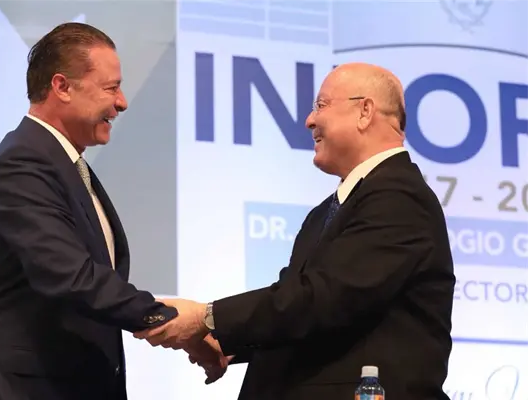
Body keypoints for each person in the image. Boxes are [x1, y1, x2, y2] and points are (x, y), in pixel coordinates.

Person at [135, 63, 456, 399]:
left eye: (321, 105)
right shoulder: (327, 212)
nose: (309, 120)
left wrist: (209, 317)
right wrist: (224, 343)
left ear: (365, 111)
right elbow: (300, 312)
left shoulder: (399, 196)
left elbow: (326, 298)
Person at [0, 22, 212, 400]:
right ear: (62, 87)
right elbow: (72, 276)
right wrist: (171, 319)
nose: (122, 102)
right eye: (111, 88)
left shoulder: (65, 164)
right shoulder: (22, 161)